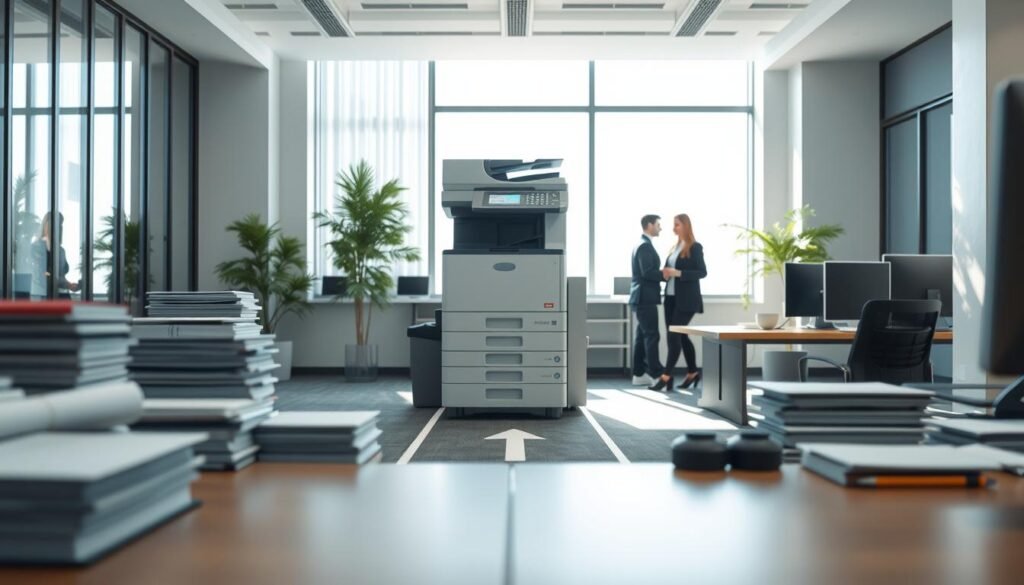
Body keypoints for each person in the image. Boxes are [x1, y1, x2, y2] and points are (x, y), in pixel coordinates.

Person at [650, 213, 707, 391]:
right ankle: (692, 372)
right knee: (680, 336)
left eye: (677, 225)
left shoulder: (695, 247)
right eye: (673, 225)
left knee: (674, 336)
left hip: (687, 300)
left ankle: (666, 376)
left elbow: (702, 272)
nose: (673, 228)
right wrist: (666, 273)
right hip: (670, 298)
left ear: (686, 226)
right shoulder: (674, 248)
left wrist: (678, 273)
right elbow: (671, 272)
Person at [629, 214, 665, 386]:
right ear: (649, 225)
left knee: (642, 336)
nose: (660, 227)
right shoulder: (644, 246)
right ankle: (657, 374)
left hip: (642, 296)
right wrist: (666, 274)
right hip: (645, 297)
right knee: (652, 335)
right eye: (658, 224)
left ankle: (639, 373)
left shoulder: (643, 244)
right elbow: (648, 272)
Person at [31, 211, 78, 299]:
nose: (60, 227)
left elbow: (60, 275)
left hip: (61, 295)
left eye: (61, 224)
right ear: (47, 225)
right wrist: (66, 284)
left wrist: (69, 285)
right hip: (44, 295)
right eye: (57, 223)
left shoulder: (61, 250)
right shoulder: (36, 247)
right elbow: (43, 273)